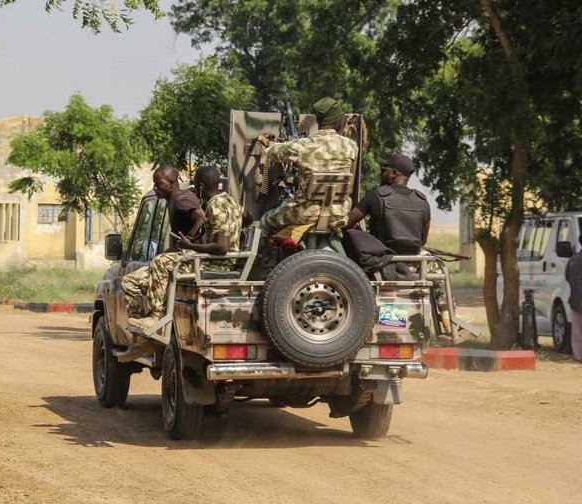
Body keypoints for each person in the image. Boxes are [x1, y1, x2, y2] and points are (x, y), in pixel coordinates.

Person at [127, 166, 242, 331]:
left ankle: (155, 316)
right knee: (153, 268)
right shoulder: (232, 202)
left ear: (201, 187)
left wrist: (190, 245)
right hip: (224, 260)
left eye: (196, 186)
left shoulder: (215, 205)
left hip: (217, 262)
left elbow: (221, 247)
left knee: (160, 261)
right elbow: (248, 218)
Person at [257, 97, 359, 237]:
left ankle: (265, 257)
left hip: (304, 213)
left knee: (265, 220)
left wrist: (271, 143)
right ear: (337, 120)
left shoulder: (302, 146)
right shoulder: (351, 146)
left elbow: (271, 152)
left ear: (317, 120)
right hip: (339, 214)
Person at [121, 165, 205, 317]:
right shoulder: (172, 200)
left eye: (158, 184)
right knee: (129, 281)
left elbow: (200, 217)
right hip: (176, 258)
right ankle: (140, 322)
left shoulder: (182, 200)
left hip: (187, 260)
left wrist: (190, 239)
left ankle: (156, 316)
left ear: (172, 183)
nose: (154, 188)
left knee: (156, 264)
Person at [345, 153, 430, 255]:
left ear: (393, 173)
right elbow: (423, 239)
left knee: (350, 233)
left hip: (381, 256)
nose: (381, 173)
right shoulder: (422, 200)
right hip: (412, 255)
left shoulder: (376, 195)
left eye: (384, 170)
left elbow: (345, 223)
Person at [565, 235, 582, 361]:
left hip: (576, 302)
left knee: (577, 333)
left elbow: (567, 277)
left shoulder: (573, 260)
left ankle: (579, 356)